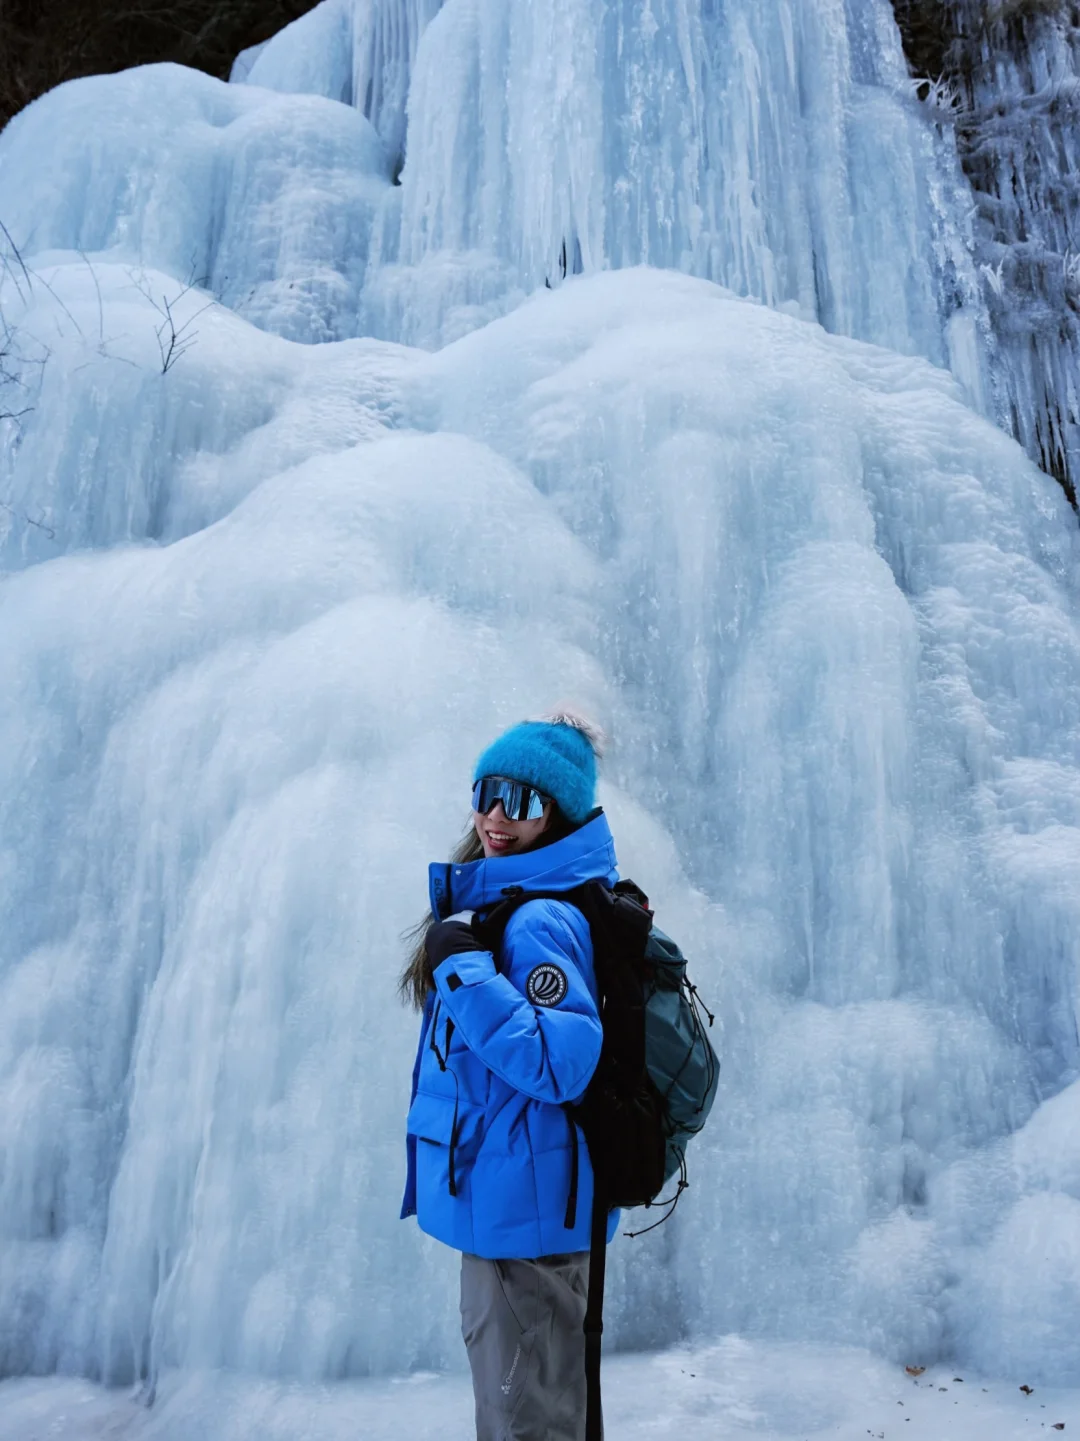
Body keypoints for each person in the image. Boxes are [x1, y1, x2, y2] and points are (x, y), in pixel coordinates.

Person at [399, 712, 619, 1441]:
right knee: (524, 1408)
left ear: (554, 814)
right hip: (516, 1207)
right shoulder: (506, 904)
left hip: (527, 1222)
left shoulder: (540, 921)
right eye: (487, 791)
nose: (495, 815)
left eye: (521, 801)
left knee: (528, 1421)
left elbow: (561, 1061)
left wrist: (462, 966)